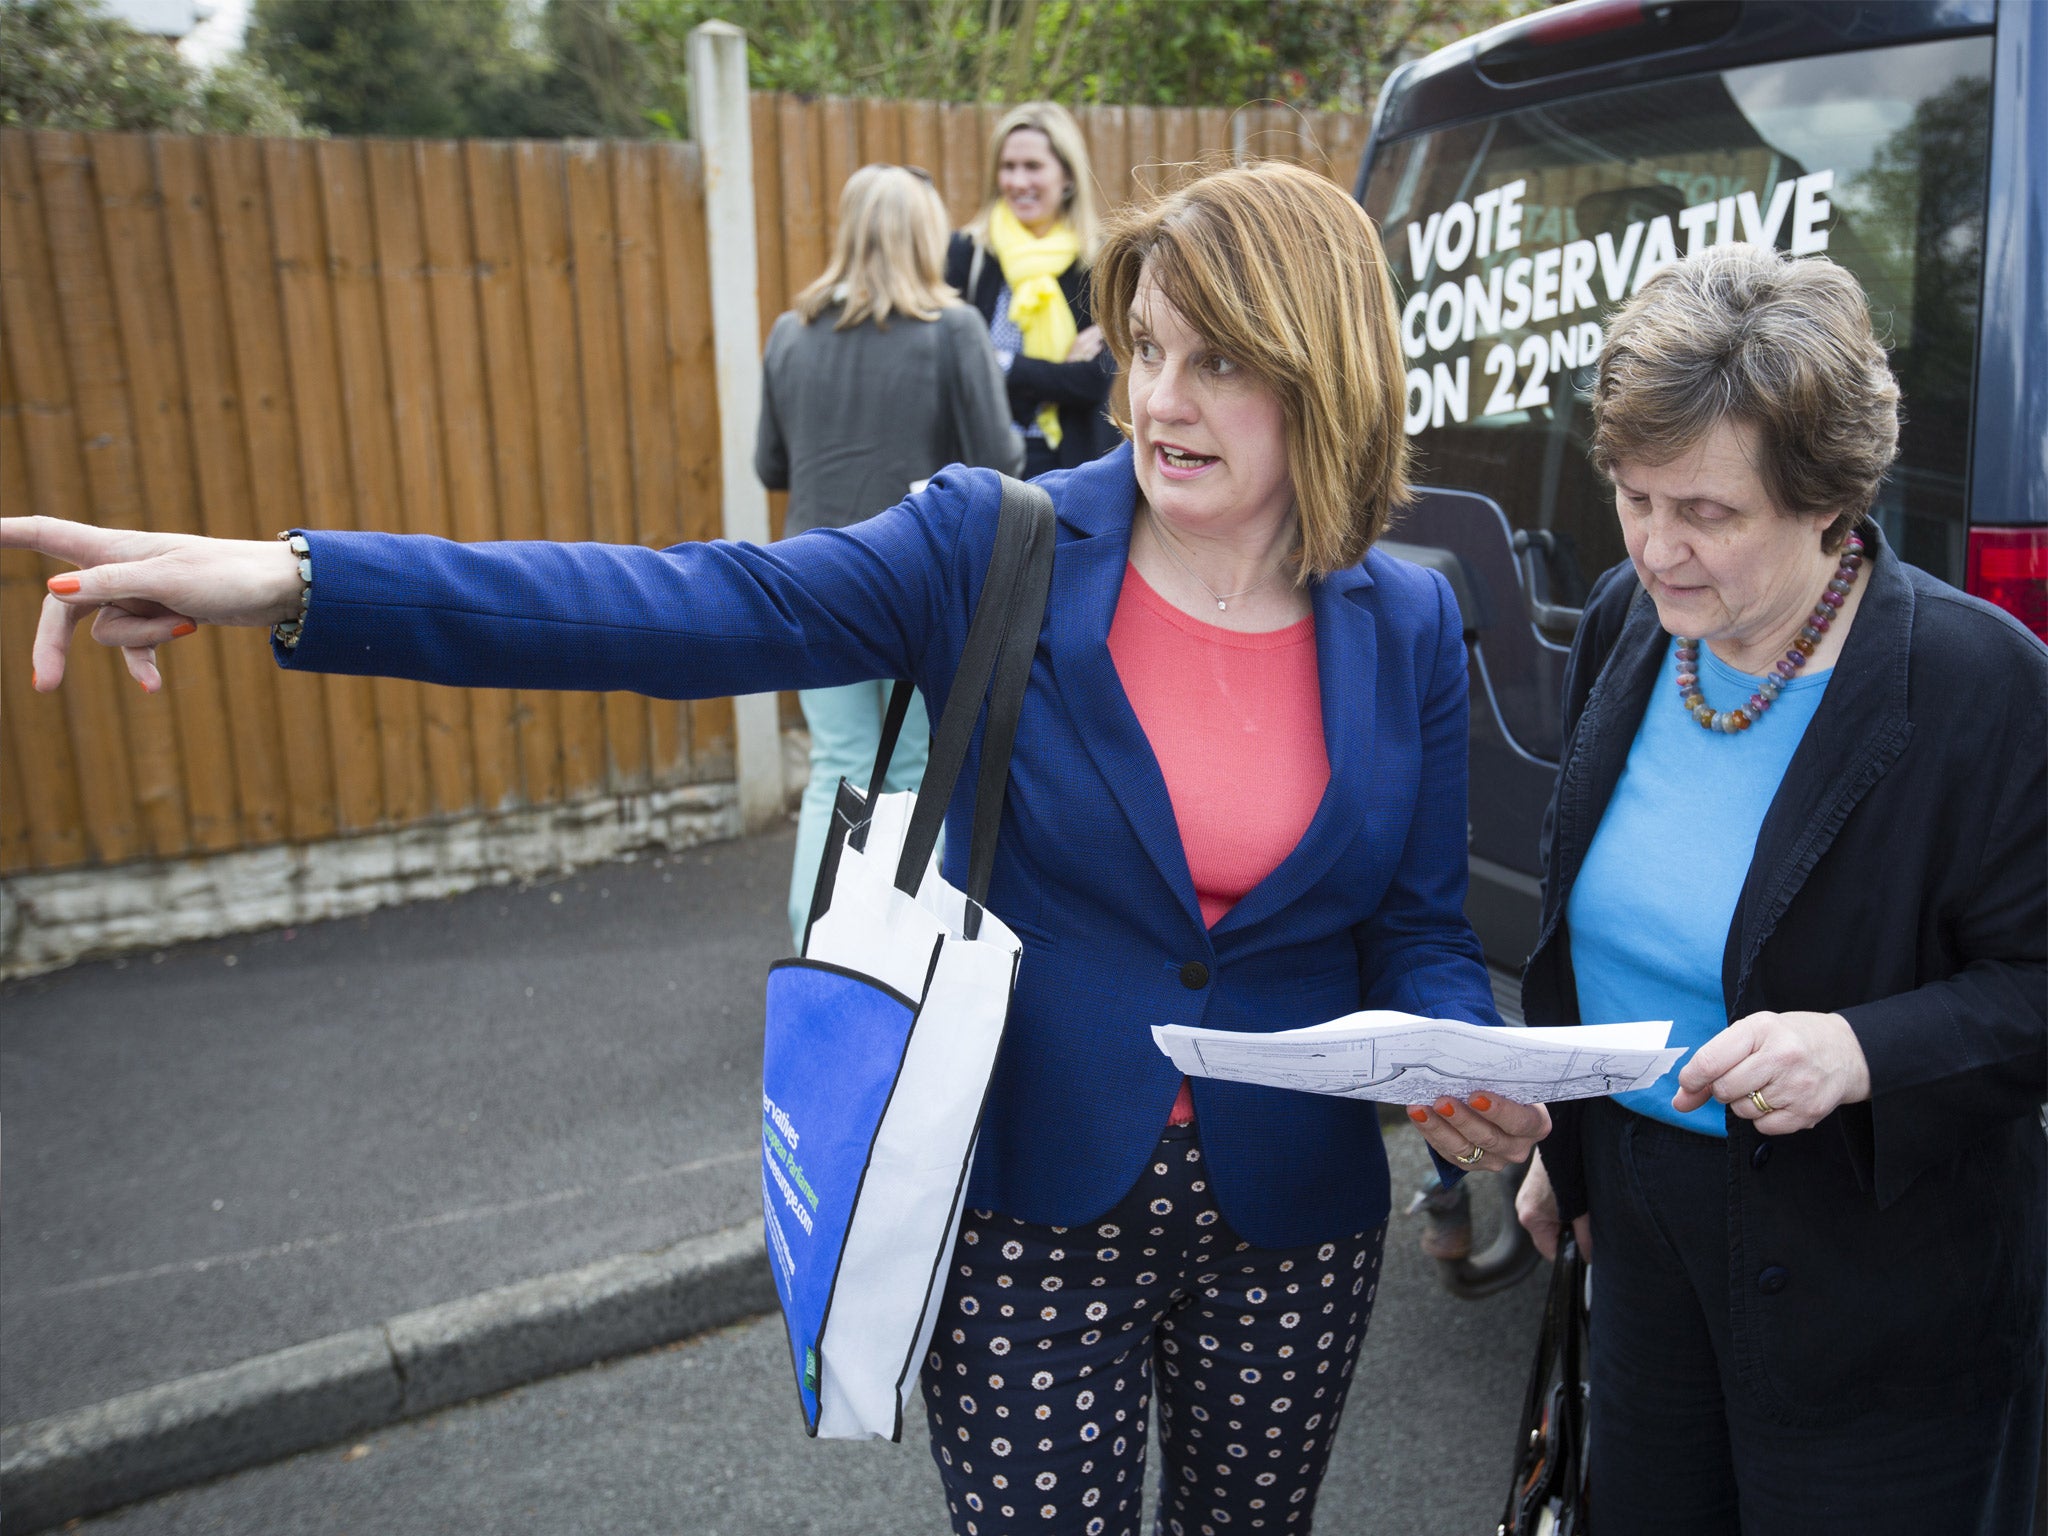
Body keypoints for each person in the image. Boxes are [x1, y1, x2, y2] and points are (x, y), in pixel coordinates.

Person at [10, 162, 1548, 1536]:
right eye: (1143, 346)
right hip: (1025, 1199)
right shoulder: (991, 543)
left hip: (1294, 1223)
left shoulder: (1401, 614)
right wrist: (289, 579)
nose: (1157, 399)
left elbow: (1414, 926)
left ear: (1324, 373)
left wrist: (1464, 1051)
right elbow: (678, 606)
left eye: (1216, 364)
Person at [1511, 245, 2046, 1535]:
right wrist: (1569, 1155)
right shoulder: (1624, 626)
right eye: (1634, 498)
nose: (1654, 548)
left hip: (1884, 1287)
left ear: (1825, 499)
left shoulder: (1979, 685)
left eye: (1706, 512)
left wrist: (1859, 1049)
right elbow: (1596, 943)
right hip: (1645, 1245)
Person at [758, 163, 1022, 948]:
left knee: (834, 770)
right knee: (912, 775)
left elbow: (773, 467)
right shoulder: (954, 330)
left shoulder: (789, 333)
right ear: (924, 236)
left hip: (807, 580)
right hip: (914, 585)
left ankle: (817, 952)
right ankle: (902, 960)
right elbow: (999, 461)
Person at [946, 101, 1121, 480]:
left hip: (1073, 470)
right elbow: (952, 373)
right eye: (1008, 167)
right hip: (980, 470)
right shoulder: (968, 255)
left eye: (1033, 167)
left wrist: (997, 363)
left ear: (1068, 177)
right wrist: (1058, 372)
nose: (1018, 182)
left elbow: (1094, 381)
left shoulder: (1099, 261)